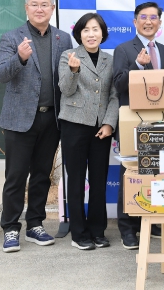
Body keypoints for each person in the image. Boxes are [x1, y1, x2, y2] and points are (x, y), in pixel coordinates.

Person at [0, 0, 73, 253]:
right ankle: (10, 228)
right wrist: (19, 58)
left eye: (45, 4)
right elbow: (1, 75)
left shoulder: (63, 38)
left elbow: (66, 77)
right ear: (26, 8)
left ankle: (35, 225)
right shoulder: (11, 37)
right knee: (16, 176)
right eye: (35, 4)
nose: (40, 9)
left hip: (51, 119)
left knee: (42, 175)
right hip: (19, 119)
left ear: (52, 9)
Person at [58, 13, 119, 251]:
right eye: (86, 30)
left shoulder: (110, 60)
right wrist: (73, 71)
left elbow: (114, 96)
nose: (91, 34)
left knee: (98, 181)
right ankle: (78, 233)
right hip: (73, 125)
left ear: (102, 34)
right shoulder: (68, 56)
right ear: (79, 34)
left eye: (95, 29)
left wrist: (109, 124)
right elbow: (65, 89)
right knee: (75, 181)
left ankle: (97, 231)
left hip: (100, 129)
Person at [112, 2, 164, 249]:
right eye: (143, 17)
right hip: (132, 122)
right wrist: (136, 66)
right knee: (130, 174)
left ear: (159, 22)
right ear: (135, 22)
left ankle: (152, 220)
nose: (148, 21)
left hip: (161, 123)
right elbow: (118, 85)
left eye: (153, 17)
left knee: (156, 173)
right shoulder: (123, 49)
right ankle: (127, 228)